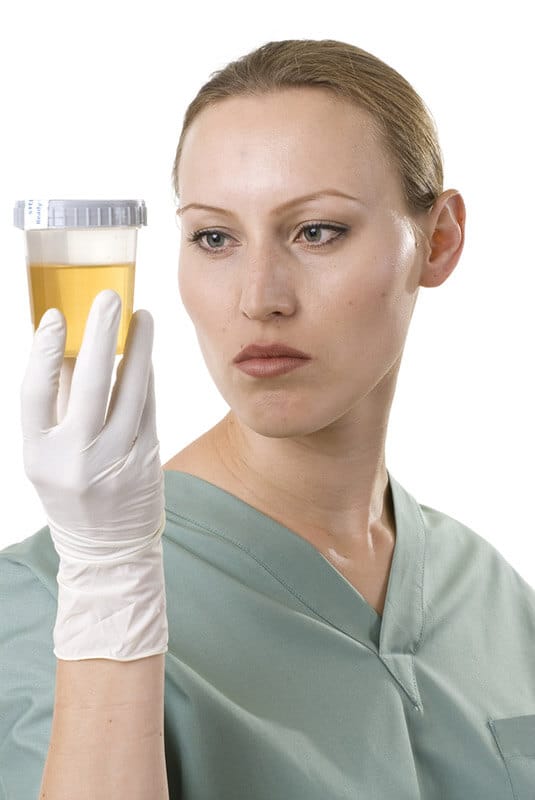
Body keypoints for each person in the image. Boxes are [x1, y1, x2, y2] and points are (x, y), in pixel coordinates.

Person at [1, 37, 534, 800]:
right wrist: (108, 595)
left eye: (317, 230)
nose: (259, 297)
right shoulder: (52, 600)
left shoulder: (488, 594)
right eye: (214, 237)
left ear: (438, 241)